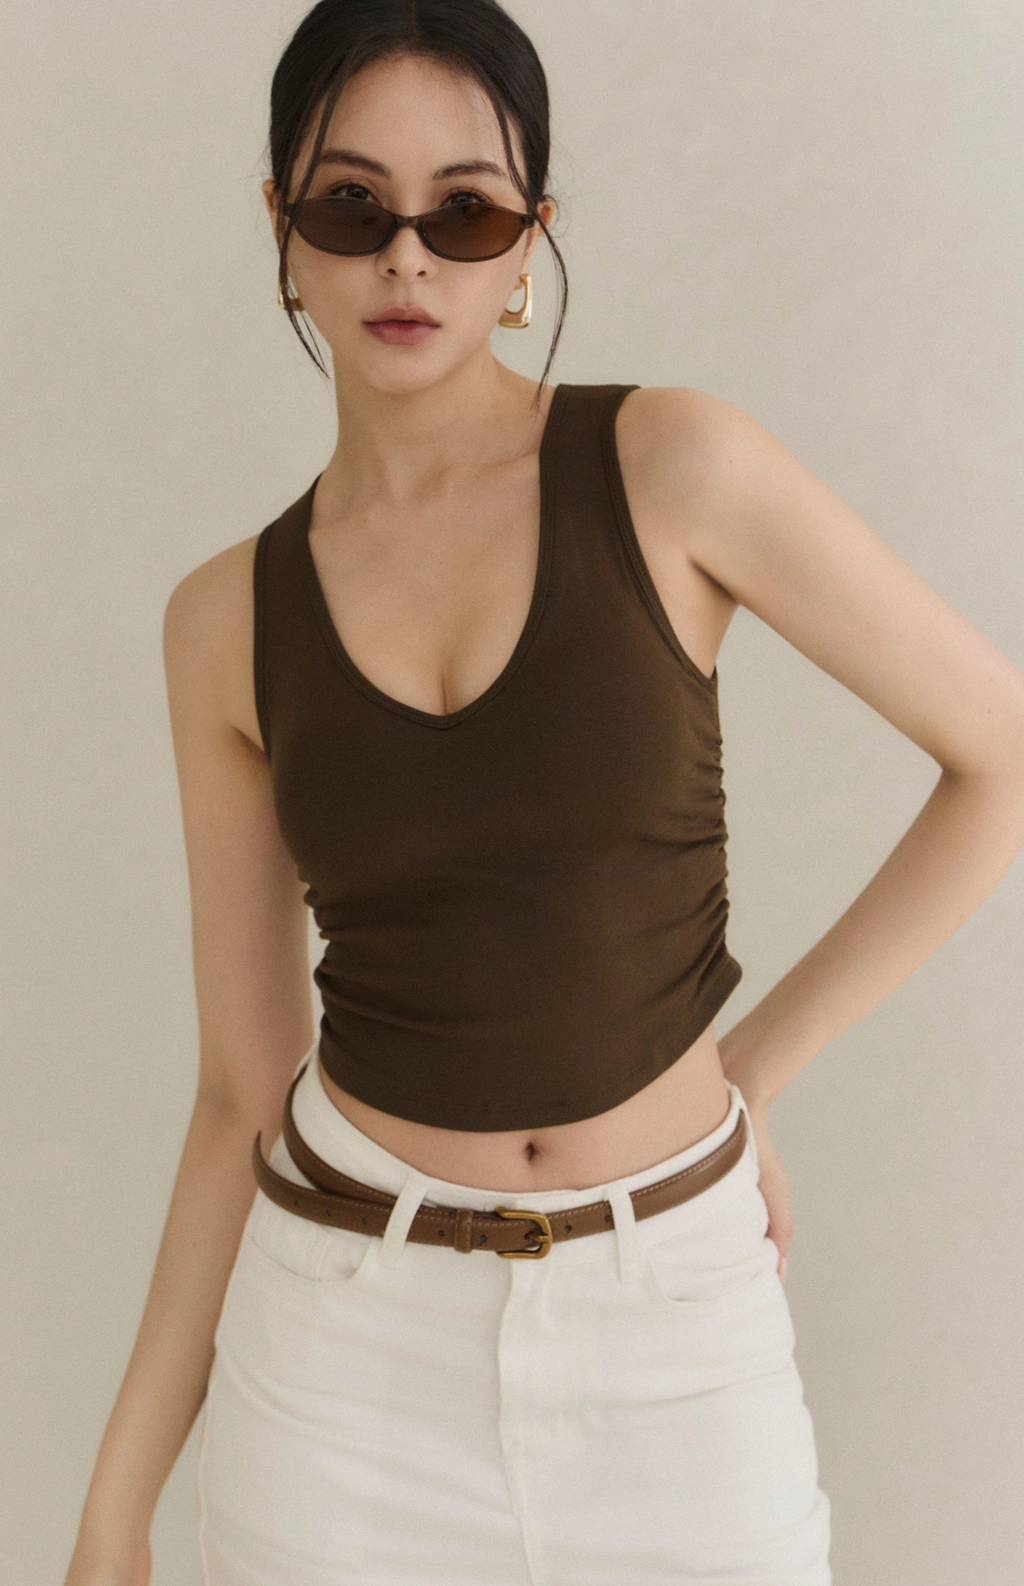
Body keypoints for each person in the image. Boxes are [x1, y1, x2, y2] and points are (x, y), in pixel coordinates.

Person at [64, 3, 1024, 1584]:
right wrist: (115, 1504)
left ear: (530, 238)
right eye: (352, 207)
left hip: (678, 1332)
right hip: (344, 1351)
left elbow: (997, 755)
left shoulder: (674, 469)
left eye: (465, 212)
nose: (408, 258)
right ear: (283, 230)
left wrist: (757, 1065)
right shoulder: (224, 620)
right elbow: (240, 1090)